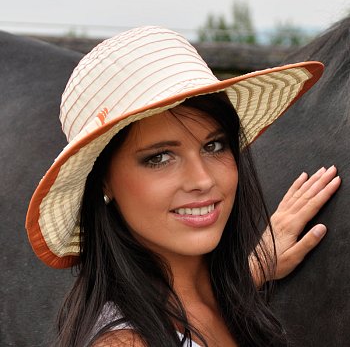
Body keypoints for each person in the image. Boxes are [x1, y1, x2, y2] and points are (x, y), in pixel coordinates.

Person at [25, 26, 341, 347]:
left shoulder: (213, 302)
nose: (203, 180)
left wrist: (253, 268)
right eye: (160, 157)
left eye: (214, 146)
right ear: (104, 179)